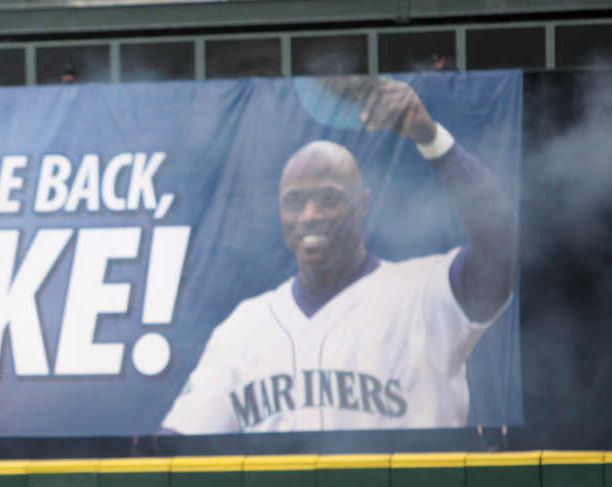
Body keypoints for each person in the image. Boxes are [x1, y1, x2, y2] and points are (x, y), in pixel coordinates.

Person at [162, 77, 517, 434]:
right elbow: (179, 441)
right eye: (294, 203)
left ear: (361, 205)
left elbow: (501, 244)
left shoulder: (426, 294)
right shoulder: (243, 327)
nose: (310, 215)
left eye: (329, 199)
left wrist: (430, 137)